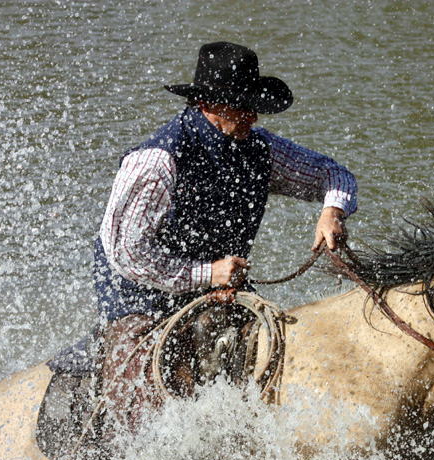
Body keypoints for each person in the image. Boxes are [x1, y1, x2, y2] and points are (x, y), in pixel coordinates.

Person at [92, 41, 358, 438]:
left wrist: (331, 212)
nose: (253, 115)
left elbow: (333, 174)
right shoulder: (157, 160)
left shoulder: (258, 148)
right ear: (209, 105)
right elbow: (127, 253)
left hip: (224, 289)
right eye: (243, 104)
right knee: (141, 420)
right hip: (142, 301)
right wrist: (206, 275)